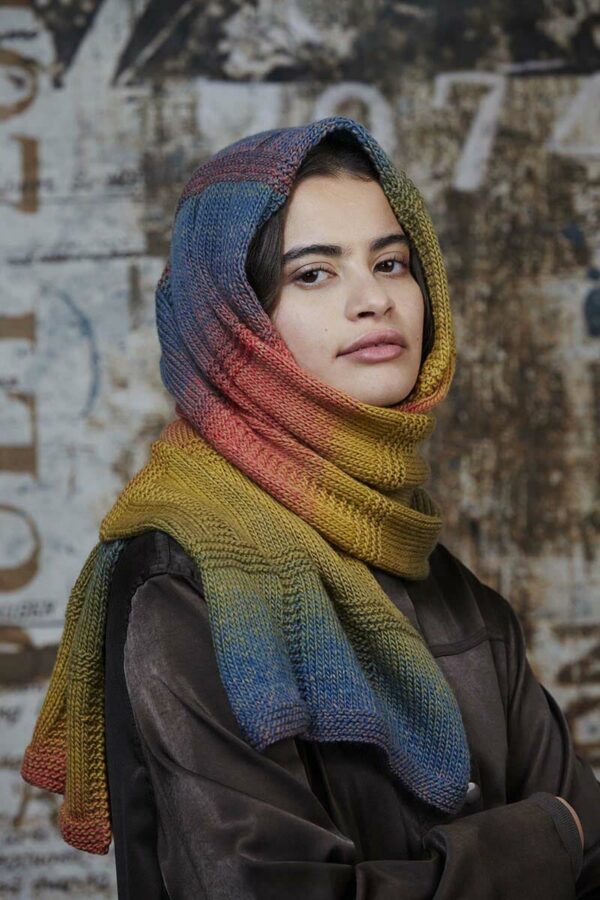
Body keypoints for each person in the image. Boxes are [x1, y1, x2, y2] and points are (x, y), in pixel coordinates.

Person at [21, 117, 600, 899]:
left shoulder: (436, 574)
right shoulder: (187, 582)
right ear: (233, 322)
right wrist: (542, 839)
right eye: (314, 274)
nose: (374, 300)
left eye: (391, 263)